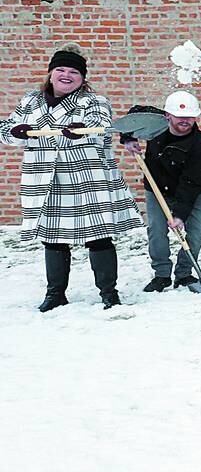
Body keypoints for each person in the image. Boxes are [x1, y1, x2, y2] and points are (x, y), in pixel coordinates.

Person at [1, 45, 143, 311]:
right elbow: (4, 129)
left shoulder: (94, 101)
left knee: (98, 235)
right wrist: (16, 132)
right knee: (53, 237)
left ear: (82, 78)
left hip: (86, 176)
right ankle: (55, 294)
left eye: (73, 72)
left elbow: (100, 125)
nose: (66, 75)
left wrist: (82, 130)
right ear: (51, 73)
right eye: (61, 70)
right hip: (45, 177)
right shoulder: (30, 101)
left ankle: (109, 293)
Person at [123, 91, 201, 292]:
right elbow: (132, 117)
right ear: (167, 115)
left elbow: (190, 182)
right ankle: (162, 275)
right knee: (156, 231)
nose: (185, 120)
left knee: (196, 232)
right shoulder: (154, 126)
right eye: (180, 116)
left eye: (190, 116)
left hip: (194, 192)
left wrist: (179, 215)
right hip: (156, 188)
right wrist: (127, 138)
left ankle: (184, 274)